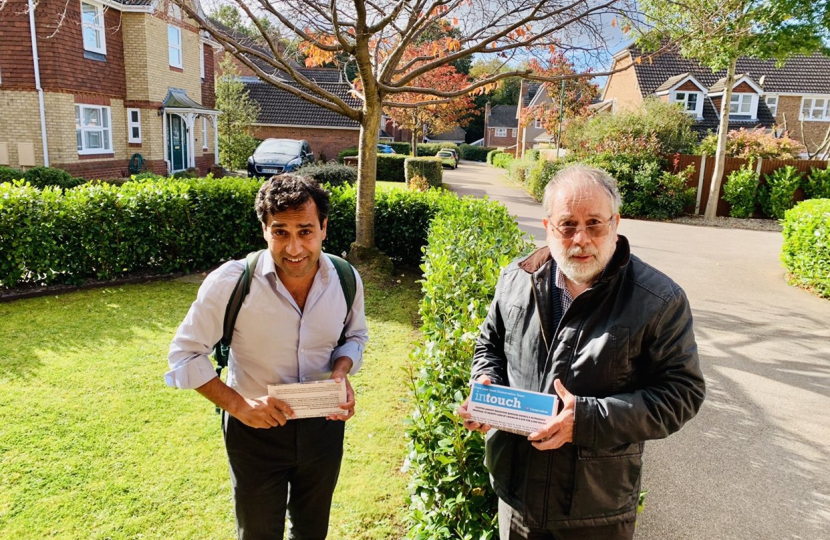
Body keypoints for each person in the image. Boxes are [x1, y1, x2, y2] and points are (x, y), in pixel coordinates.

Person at [458, 164, 705, 540]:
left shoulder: (659, 300)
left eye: (594, 223)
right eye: (567, 224)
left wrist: (587, 419)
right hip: (516, 495)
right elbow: (490, 342)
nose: (581, 239)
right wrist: (487, 386)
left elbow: (682, 394)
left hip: (593, 511)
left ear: (615, 222)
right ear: (547, 226)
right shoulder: (516, 279)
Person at [165, 173, 368, 540]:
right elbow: (184, 355)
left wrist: (342, 369)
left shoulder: (345, 277)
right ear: (264, 230)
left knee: (312, 532)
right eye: (281, 232)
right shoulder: (231, 282)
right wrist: (240, 407)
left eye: (305, 231)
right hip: (254, 433)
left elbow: (355, 335)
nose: (294, 248)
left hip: (324, 427)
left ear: (324, 227)